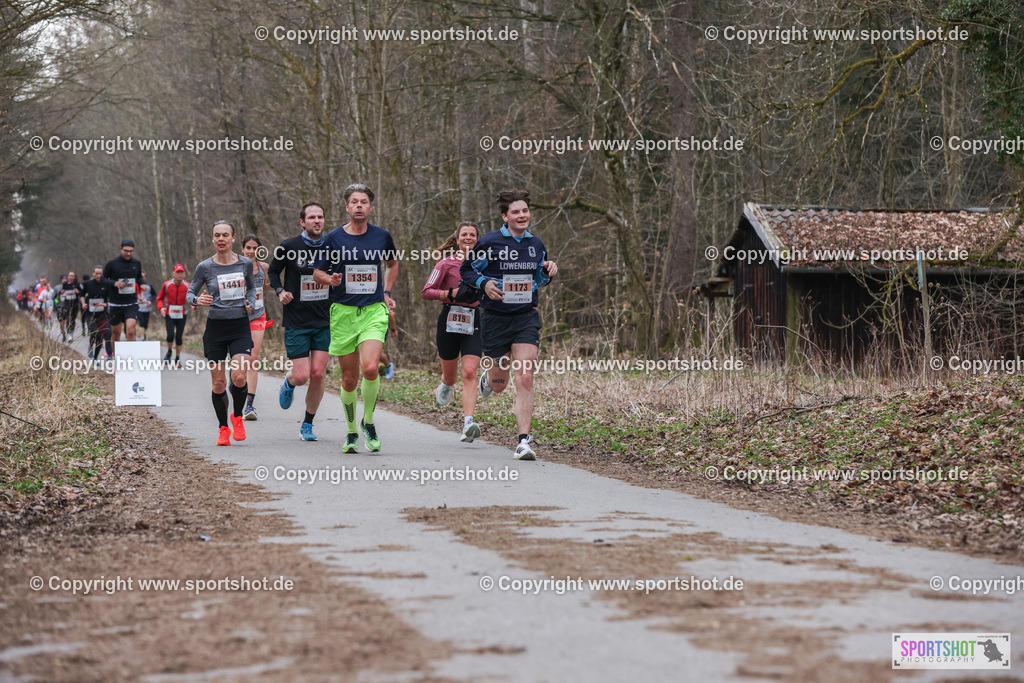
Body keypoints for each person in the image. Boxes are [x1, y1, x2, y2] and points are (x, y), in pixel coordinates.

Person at [460, 189, 557, 460]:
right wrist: (484, 284)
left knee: (525, 376)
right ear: (505, 217)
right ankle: (489, 379)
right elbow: (467, 270)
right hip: (495, 318)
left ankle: (523, 442)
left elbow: (538, 280)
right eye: (516, 212)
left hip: (525, 316)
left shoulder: (535, 244)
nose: (522, 215)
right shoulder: (490, 242)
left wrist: (548, 271)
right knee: (499, 384)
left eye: (525, 211)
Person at [312, 184, 398, 453]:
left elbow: (392, 264)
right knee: (349, 379)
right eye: (354, 202)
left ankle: (368, 422)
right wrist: (330, 278)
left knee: (370, 368)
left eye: (364, 202)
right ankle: (351, 431)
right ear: (347, 207)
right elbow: (317, 272)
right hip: (343, 313)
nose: (359, 205)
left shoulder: (382, 236)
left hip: (373, 310)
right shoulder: (333, 238)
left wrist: (386, 292)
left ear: (370, 207)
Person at [186, 220, 256, 446]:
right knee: (218, 383)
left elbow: (252, 289)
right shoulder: (205, 267)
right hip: (215, 328)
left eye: (225, 235)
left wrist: (251, 304)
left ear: (233, 238)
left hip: (239, 326)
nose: (221, 239)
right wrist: (197, 300)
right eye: (217, 235)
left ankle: (237, 417)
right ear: (212, 239)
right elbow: (190, 292)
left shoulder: (245, 263)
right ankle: (223, 428)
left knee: (239, 377)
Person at [269, 201, 332, 442]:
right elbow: (273, 272)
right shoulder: (288, 246)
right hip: (296, 320)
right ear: (302, 222)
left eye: (320, 217)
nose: (317, 221)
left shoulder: (333, 246)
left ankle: (307, 423)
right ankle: (289, 381)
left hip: (325, 320)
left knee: (318, 374)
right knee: (303, 375)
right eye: (312, 217)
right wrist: (280, 291)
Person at [422, 221, 483, 442]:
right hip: (449, 319)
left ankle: (468, 423)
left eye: (472, 235)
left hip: (473, 319)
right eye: (464, 234)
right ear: (457, 240)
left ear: (477, 240)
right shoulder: (445, 264)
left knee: (470, 372)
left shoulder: (484, 264)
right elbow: (426, 291)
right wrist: (450, 293)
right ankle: (446, 384)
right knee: (451, 375)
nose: (468, 238)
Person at [239, 234, 274, 421]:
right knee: (240, 362)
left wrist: (276, 287)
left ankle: (249, 405)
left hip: (258, 316)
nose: (251, 251)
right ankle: (237, 388)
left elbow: (263, 287)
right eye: (248, 248)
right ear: (242, 249)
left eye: (255, 248)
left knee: (252, 359)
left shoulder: (264, 267)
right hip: (238, 317)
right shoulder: (235, 268)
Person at [102, 239, 143, 343]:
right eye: (126, 251)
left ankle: (132, 353)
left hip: (131, 303)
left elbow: (139, 277)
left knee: (130, 331)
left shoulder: (136, 263)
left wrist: (142, 284)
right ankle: (115, 353)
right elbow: (103, 279)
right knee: (116, 334)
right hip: (116, 303)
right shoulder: (112, 263)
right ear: (121, 249)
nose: (128, 253)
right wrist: (114, 283)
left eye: (131, 251)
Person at [157, 264, 189, 368]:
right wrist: (161, 307)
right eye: (177, 272)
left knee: (179, 337)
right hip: (169, 313)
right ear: (173, 274)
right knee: (170, 335)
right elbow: (159, 298)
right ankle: (169, 351)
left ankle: (177, 358)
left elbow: (192, 298)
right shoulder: (167, 285)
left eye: (181, 272)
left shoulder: (188, 286)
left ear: (184, 274)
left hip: (182, 314)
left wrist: (194, 305)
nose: (179, 274)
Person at [81, 265, 113, 362]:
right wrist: (83, 303)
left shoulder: (106, 284)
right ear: (93, 274)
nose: (98, 275)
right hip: (91, 313)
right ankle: (90, 346)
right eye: (97, 274)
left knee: (101, 335)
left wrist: (105, 304)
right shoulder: (88, 284)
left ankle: (95, 358)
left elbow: (110, 298)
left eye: (100, 274)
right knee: (94, 333)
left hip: (102, 313)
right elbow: (81, 295)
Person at [57, 271, 82, 342]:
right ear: (68, 276)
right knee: (68, 318)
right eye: (70, 276)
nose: (71, 277)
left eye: (73, 276)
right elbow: (57, 296)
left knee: (73, 319)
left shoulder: (77, 284)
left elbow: (81, 293)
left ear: (74, 277)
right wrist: (56, 303)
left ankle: (71, 333)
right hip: (66, 304)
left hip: (75, 304)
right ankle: (68, 335)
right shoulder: (65, 284)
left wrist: (78, 292)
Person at [136, 272, 157, 341]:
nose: (142, 278)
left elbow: (154, 295)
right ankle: (142, 337)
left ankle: (143, 334)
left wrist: (150, 300)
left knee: (145, 324)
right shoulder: (135, 285)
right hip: (138, 308)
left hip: (147, 308)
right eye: (141, 277)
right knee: (141, 322)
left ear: (145, 277)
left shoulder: (149, 286)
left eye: (143, 277)